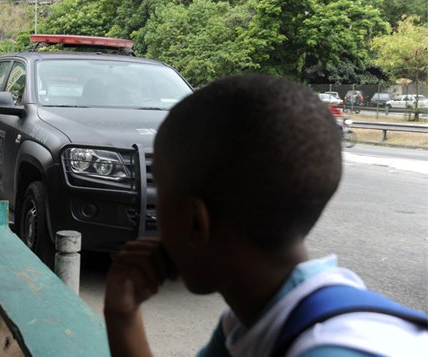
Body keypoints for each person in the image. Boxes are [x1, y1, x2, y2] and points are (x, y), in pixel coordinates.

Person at [104, 75, 427, 357]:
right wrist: (122, 316)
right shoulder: (251, 322)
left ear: (195, 222)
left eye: (161, 190)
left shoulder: (324, 347)